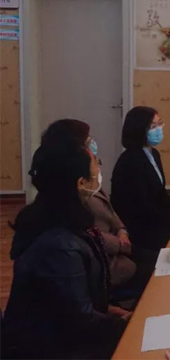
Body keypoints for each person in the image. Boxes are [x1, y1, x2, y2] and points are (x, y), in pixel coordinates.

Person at [2, 143, 128, 358]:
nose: (99, 169)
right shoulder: (58, 245)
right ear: (81, 183)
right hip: (51, 348)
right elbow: (80, 321)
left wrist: (112, 311)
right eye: (95, 165)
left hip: (65, 334)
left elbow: (78, 301)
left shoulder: (62, 217)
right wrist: (125, 324)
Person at [41, 119, 157, 297]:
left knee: (157, 261)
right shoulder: (71, 190)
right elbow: (88, 234)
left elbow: (111, 212)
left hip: (119, 250)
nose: (93, 146)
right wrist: (121, 245)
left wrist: (122, 231)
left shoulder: (90, 181)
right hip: (107, 263)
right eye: (88, 141)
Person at [111, 106, 170, 251]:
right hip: (140, 229)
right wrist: (169, 224)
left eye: (159, 124)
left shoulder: (153, 154)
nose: (158, 129)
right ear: (139, 130)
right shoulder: (130, 161)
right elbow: (141, 205)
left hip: (155, 220)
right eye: (153, 127)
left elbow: (160, 193)